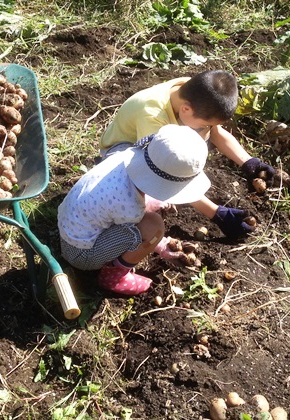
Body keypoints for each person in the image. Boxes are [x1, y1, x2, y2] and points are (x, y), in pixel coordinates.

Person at [58, 125, 254, 296]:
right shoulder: (131, 207)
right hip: (81, 255)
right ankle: (114, 276)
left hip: (69, 225)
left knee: (148, 219)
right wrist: (157, 242)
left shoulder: (125, 155)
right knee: (154, 226)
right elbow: (138, 220)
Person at [99, 70, 275, 182]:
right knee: (133, 184)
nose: (208, 128)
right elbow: (161, 168)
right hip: (126, 149)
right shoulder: (152, 116)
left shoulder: (190, 90)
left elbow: (216, 133)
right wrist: (215, 212)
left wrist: (249, 162)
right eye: (206, 124)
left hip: (157, 142)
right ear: (186, 109)